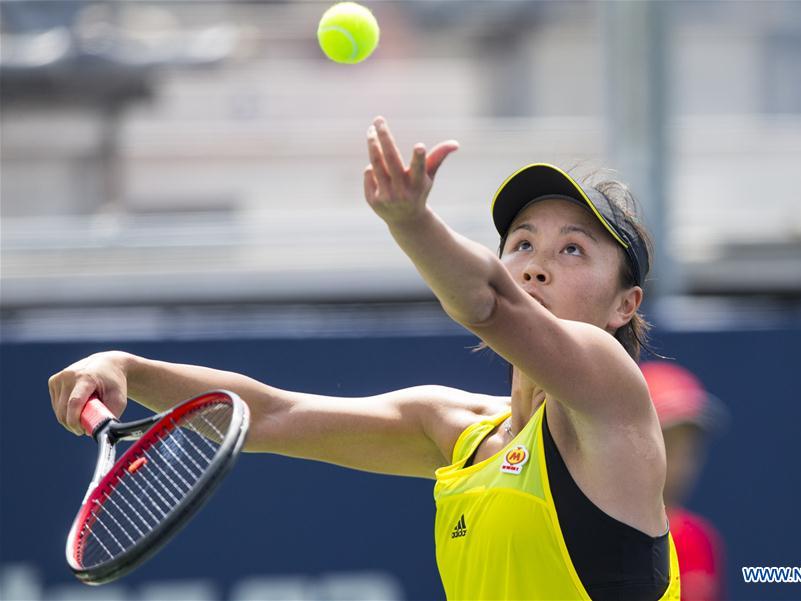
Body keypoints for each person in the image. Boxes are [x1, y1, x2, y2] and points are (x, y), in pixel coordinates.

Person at [50, 116, 680, 600]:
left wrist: (411, 222)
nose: (537, 264)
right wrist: (127, 367)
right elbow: (266, 415)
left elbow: (489, 304)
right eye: (522, 243)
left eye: (573, 251)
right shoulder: (454, 430)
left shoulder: (610, 396)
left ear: (624, 305)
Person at [640, 361, 727, 601]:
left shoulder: (698, 538)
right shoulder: (601, 532)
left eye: (691, 449)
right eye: (668, 445)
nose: (682, 464)